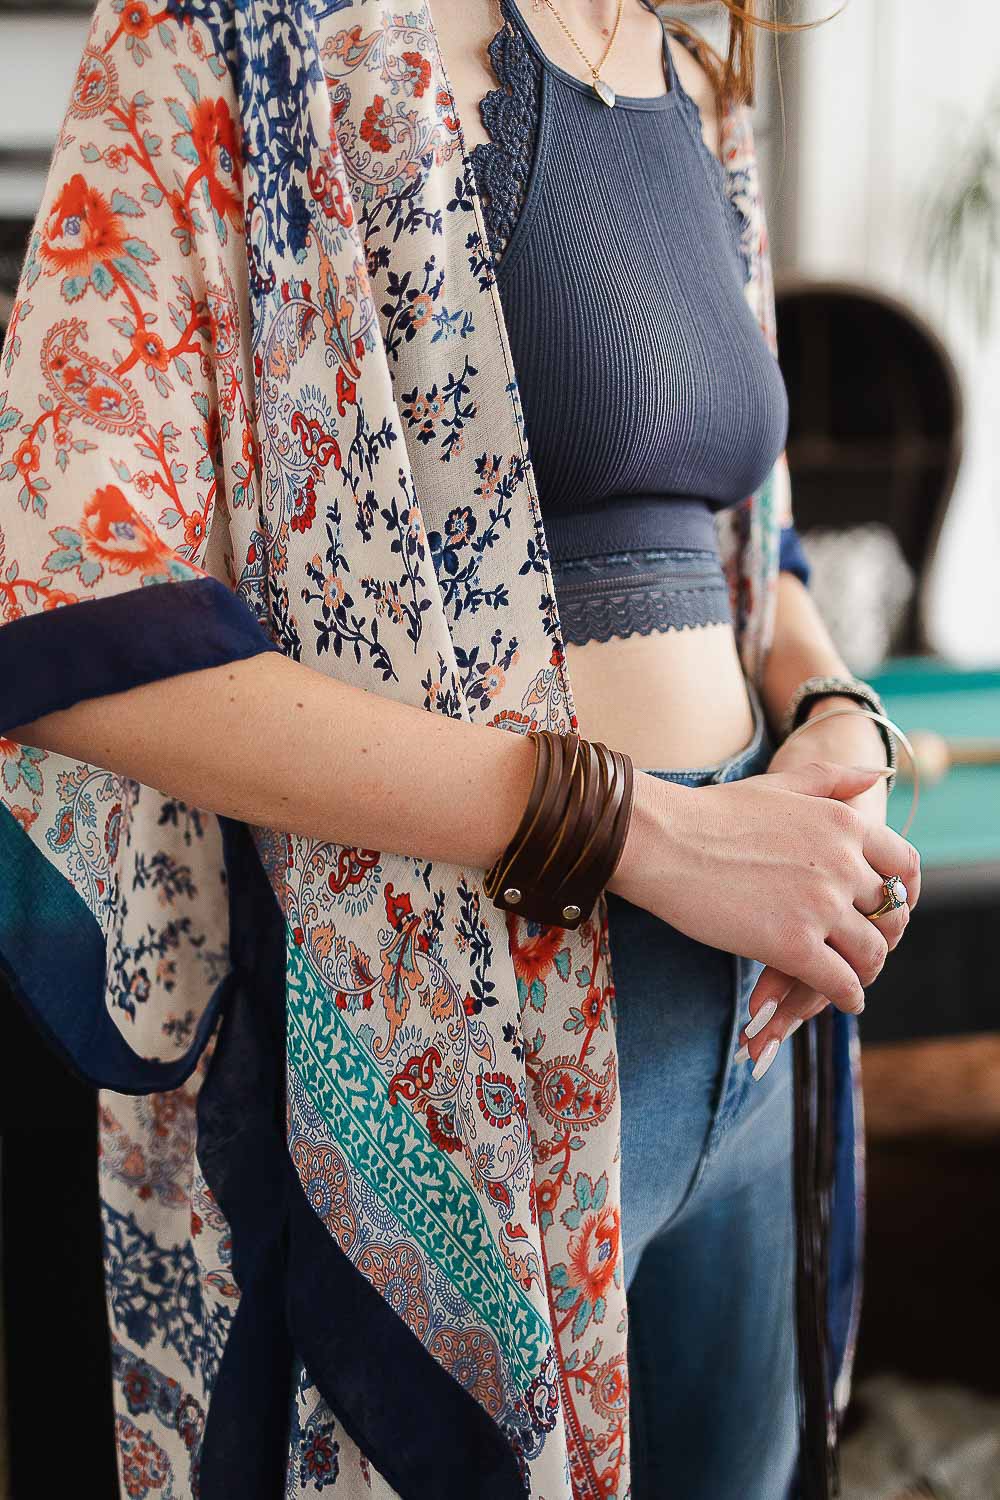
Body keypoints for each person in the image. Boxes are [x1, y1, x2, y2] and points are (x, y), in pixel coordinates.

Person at [0, 1, 919, 1496]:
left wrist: (833, 714)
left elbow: (757, 542)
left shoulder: (693, 80)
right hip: (465, 1034)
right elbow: (60, 614)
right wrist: (640, 833)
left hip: (757, 1008)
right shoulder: (231, 43)